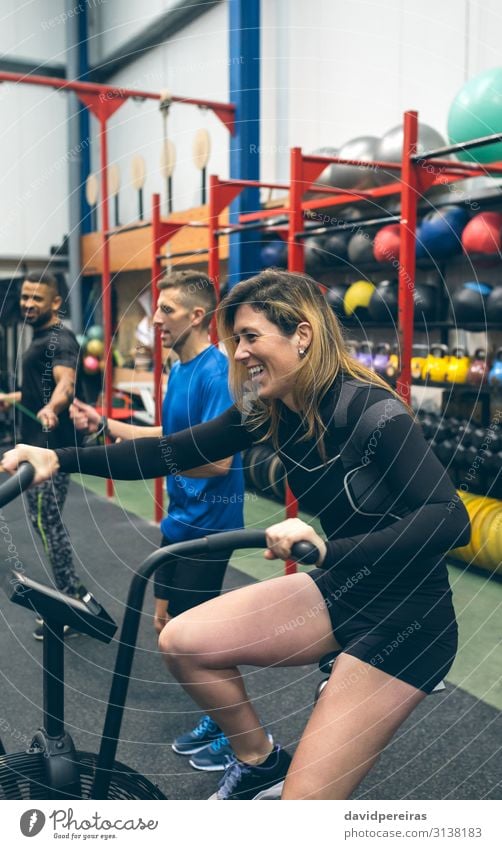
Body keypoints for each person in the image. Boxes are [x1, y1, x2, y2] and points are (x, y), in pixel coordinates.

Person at [1, 269, 471, 800]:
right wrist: (57, 458)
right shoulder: (272, 412)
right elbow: (170, 451)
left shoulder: (372, 412)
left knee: (301, 815)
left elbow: (451, 518)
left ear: (302, 335)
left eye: (250, 337)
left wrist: (328, 549)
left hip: (407, 621)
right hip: (344, 589)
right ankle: (260, 762)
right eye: (235, 340)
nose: (240, 352)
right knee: (182, 640)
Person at [70, 269, 245, 769]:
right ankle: (222, 717)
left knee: (200, 640)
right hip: (180, 520)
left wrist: (151, 460)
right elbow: (167, 434)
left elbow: (217, 462)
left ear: (196, 315)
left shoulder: (218, 373)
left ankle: (241, 738)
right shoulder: (179, 367)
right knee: (168, 628)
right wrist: (106, 424)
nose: (157, 320)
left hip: (210, 525)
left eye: (166, 310)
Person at [0, 271, 87, 639]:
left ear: (55, 303)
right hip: (38, 445)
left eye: (37, 298)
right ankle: (75, 594)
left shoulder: (60, 339)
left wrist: (54, 407)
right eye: (25, 297)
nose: (29, 304)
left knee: (47, 524)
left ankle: (71, 603)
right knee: (44, 523)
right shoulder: (39, 337)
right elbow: (39, 391)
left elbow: (65, 383)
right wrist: (12, 398)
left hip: (50, 450)